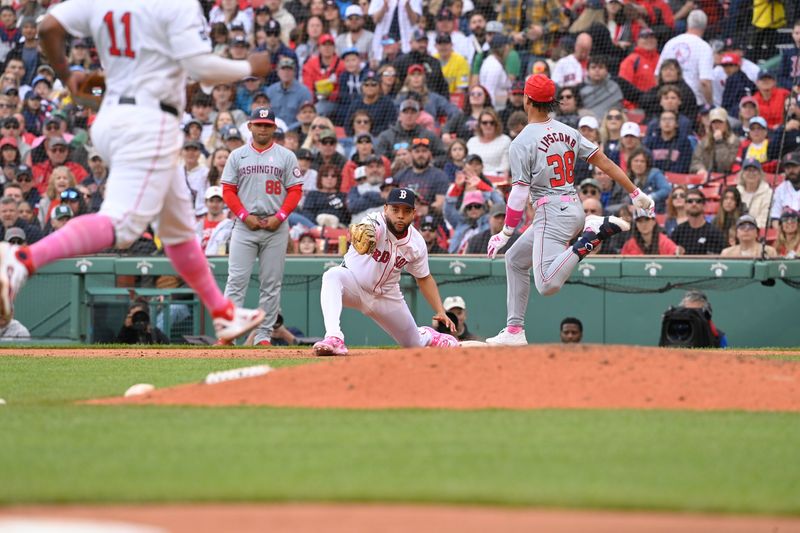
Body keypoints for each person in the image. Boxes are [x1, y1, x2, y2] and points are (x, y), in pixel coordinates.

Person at [0, 0, 275, 340]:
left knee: (177, 228)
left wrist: (67, 73)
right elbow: (201, 67)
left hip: (114, 116)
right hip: (149, 121)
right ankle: (22, 259)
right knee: (123, 224)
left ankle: (222, 311)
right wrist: (249, 64)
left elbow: (48, 26)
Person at [485, 74, 654, 346]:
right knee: (515, 260)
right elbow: (605, 162)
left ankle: (591, 235)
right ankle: (514, 330)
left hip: (551, 213)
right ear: (551, 102)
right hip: (570, 206)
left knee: (547, 285)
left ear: (527, 100)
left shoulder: (521, 141)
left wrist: (505, 233)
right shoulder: (569, 131)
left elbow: (518, 194)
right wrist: (635, 192)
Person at [312, 187, 458, 355]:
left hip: (387, 296)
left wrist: (440, 310)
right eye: (395, 209)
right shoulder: (375, 221)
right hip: (354, 285)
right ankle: (334, 337)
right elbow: (370, 227)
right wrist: (365, 232)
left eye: (406, 210)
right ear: (385, 209)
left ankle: (427, 335)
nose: (400, 215)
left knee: (413, 345)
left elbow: (424, 278)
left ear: (413, 213)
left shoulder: (417, 243)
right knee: (332, 275)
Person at [221, 108, 304, 346]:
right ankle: (228, 334)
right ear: (250, 126)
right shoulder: (237, 155)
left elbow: (295, 190)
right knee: (236, 281)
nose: (263, 128)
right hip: (245, 225)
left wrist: (280, 216)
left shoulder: (286, 156)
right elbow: (228, 190)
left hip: (275, 226)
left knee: (271, 283)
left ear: (274, 128)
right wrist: (244, 215)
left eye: (267, 125)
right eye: (259, 124)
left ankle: (263, 335)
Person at [656, 9, 713, 107]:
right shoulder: (704, 47)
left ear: (688, 24)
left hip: (669, 101)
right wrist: (710, 104)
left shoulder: (671, 43)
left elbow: (657, 75)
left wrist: (663, 97)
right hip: (694, 101)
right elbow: (705, 82)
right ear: (705, 26)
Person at [670, 188, 726, 255]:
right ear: (685, 205)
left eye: (698, 201)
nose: (694, 204)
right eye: (690, 201)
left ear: (704, 205)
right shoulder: (678, 232)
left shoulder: (715, 233)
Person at [736, 159, 772, 229]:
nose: (751, 173)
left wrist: (748, 229)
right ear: (742, 174)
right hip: (737, 231)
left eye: (754, 170)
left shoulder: (768, 193)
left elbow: (763, 220)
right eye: (748, 170)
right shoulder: (737, 191)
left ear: (760, 174)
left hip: (757, 231)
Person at [769, 151, 800, 227]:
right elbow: (775, 218)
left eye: (794, 166)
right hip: (785, 233)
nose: (791, 170)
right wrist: (782, 235)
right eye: (788, 167)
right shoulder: (780, 189)